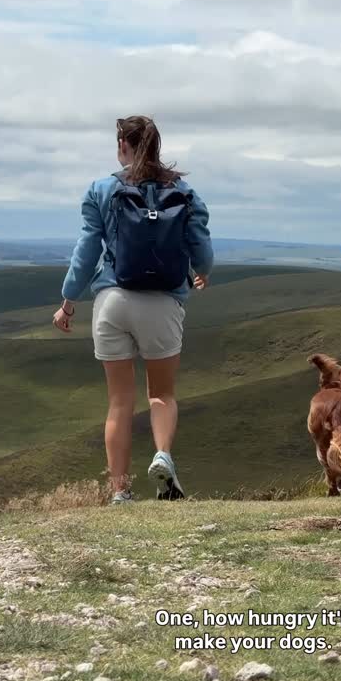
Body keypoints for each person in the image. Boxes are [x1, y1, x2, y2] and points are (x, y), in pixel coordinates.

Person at [53, 115, 213, 504]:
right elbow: (203, 251)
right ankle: (162, 456)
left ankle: (120, 493)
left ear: (123, 144)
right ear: (156, 146)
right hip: (162, 304)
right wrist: (201, 272)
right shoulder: (185, 192)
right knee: (161, 394)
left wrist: (68, 300)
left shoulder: (101, 189)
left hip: (112, 302)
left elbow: (86, 252)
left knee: (119, 403)